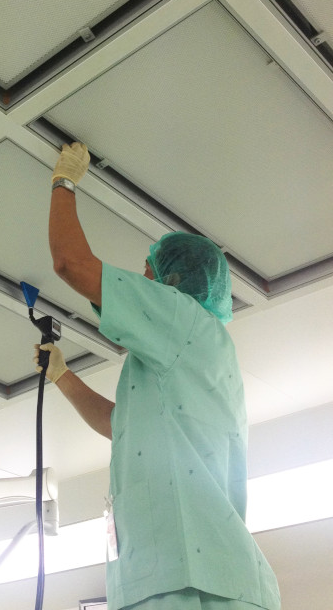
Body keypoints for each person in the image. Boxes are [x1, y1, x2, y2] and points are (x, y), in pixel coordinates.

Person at [34, 143, 280, 610]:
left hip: (188, 578)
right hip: (198, 577)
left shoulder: (181, 319)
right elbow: (119, 425)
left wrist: (63, 182)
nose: (140, 279)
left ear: (173, 284)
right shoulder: (187, 355)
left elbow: (70, 263)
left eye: (149, 271)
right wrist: (63, 376)